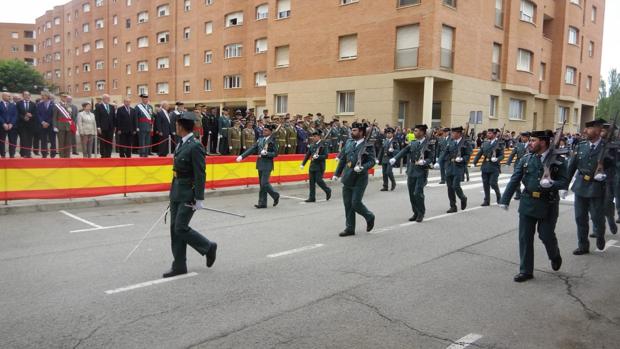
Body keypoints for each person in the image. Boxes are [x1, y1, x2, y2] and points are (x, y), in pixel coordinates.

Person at [499, 130, 568, 282]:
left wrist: (552, 184)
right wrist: (505, 200)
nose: (529, 143)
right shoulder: (526, 159)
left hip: (548, 203)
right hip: (528, 202)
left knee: (546, 235)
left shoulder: (559, 160)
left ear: (543, 142)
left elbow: (564, 182)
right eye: (530, 140)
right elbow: (514, 179)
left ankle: (554, 255)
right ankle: (526, 270)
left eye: (533, 140)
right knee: (525, 238)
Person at [164, 111, 217, 278]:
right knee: (174, 229)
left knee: (180, 227)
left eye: (177, 125)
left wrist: (199, 198)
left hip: (188, 193)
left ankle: (208, 247)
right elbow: (176, 171)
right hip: (177, 192)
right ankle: (179, 265)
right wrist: (172, 192)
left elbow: (200, 173)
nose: (175, 127)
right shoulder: (181, 143)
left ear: (181, 127)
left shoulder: (195, 146)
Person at [568, 119, 612, 255]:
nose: (584, 131)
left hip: (597, 187)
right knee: (580, 217)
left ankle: (600, 235)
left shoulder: (609, 147)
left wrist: (605, 175)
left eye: (589, 128)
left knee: (597, 217)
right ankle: (583, 245)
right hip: (580, 184)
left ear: (598, 130)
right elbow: (572, 166)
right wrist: (564, 185)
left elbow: (615, 167)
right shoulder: (581, 146)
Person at [332, 122, 376, 236]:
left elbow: (372, 161)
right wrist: (337, 173)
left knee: (355, 203)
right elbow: (343, 159)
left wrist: (362, 167)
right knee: (348, 204)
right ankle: (350, 228)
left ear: (361, 132)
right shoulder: (349, 142)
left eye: (355, 130)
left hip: (360, 179)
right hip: (347, 177)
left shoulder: (368, 145)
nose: (352, 132)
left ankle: (369, 216)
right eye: (352, 130)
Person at [390, 124, 434, 222]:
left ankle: (421, 213)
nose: (414, 133)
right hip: (412, 169)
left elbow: (431, 158)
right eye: (414, 131)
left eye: (416, 131)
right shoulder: (413, 143)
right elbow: (404, 151)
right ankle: (415, 212)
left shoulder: (429, 144)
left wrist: (425, 162)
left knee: (418, 193)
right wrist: (395, 158)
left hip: (422, 171)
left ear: (422, 132)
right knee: (411, 193)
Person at [236, 124, 281, 208]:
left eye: (266, 130)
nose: (264, 131)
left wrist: (267, 153)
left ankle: (275, 195)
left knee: (264, 183)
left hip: (267, 164)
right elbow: (252, 148)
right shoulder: (260, 139)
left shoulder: (273, 140)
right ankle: (262, 203)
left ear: (271, 132)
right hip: (260, 163)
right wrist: (242, 156)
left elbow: (276, 154)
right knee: (261, 184)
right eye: (263, 130)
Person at [473, 128, 505, 206]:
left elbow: (502, 155)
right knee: (485, 184)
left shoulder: (499, 143)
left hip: (494, 167)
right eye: (488, 133)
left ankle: (499, 196)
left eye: (490, 133)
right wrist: (474, 162)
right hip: (485, 166)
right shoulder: (485, 143)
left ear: (494, 135)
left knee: (493, 183)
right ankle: (486, 200)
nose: (488, 134)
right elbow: (479, 154)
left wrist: (497, 159)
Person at [443, 126, 471, 213]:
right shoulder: (450, 142)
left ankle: (463, 198)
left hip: (459, 167)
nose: (451, 134)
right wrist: (439, 161)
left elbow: (468, 155)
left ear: (459, 134)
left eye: (453, 133)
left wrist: (462, 159)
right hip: (450, 166)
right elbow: (445, 153)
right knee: (449, 188)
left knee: (455, 185)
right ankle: (453, 206)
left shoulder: (465, 143)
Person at [300, 130, 332, 203]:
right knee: (311, 183)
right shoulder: (312, 145)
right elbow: (308, 155)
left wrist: (318, 156)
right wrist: (303, 164)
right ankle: (312, 197)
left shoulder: (323, 145)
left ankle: (328, 190)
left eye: (315, 136)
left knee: (319, 180)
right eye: (313, 136)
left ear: (319, 137)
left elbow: (326, 156)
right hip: (312, 166)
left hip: (320, 166)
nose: (313, 138)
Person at [506, 131, 531, 200]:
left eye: (524, 137)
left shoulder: (532, 145)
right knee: (516, 179)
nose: (523, 138)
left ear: (528, 138)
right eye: (522, 137)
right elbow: (512, 154)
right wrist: (508, 162)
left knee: (526, 180)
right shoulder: (518, 145)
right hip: (518, 163)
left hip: (528, 164)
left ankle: (527, 193)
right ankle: (518, 194)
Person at [52, 93, 76, 158]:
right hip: (60, 126)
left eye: (66, 97)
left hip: (69, 126)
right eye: (63, 97)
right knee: (61, 143)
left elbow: (72, 117)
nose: (65, 98)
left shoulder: (69, 106)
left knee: (68, 143)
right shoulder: (57, 105)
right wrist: (55, 126)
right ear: (60, 97)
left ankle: (67, 156)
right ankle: (62, 157)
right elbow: (54, 117)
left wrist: (73, 126)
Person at [16, 91, 38, 158]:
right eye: (25, 95)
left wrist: (31, 116)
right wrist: (23, 117)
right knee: (23, 139)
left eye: (28, 95)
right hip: (22, 125)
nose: (27, 96)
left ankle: (27, 153)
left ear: (30, 96)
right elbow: (17, 113)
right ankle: (24, 153)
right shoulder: (18, 103)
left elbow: (36, 114)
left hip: (31, 125)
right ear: (23, 96)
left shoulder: (33, 104)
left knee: (29, 139)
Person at [36, 91, 56, 158]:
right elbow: (38, 114)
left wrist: (48, 122)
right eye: (41, 95)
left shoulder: (54, 105)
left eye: (43, 95)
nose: (42, 97)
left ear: (47, 96)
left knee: (52, 140)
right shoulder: (39, 104)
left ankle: (53, 154)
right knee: (43, 140)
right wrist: (42, 122)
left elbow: (54, 115)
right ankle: (44, 154)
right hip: (42, 125)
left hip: (51, 125)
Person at [0, 92, 18, 158]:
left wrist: (11, 123)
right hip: (2, 126)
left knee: (12, 141)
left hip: (12, 127)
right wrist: (3, 123)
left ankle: (12, 155)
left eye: (9, 96)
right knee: (2, 141)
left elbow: (15, 115)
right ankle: (3, 155)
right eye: (8, 96)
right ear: (3, 96)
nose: (9, 97)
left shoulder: (13, 105)